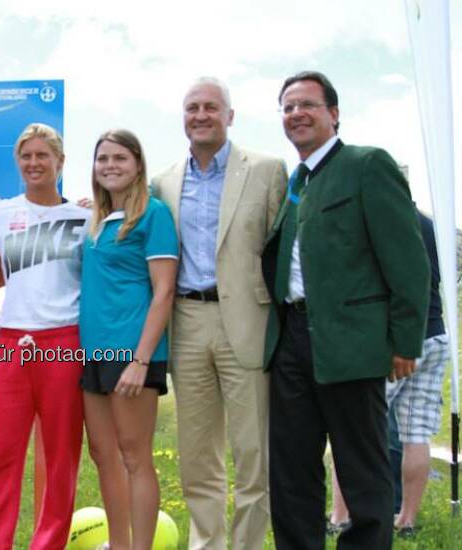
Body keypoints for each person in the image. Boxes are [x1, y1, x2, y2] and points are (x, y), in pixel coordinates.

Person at [262, 70, 429, 549]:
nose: (297, 113)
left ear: (333, 113)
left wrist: (404, 341)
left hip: (351, 341)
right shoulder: (296, 182)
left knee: (362, 466)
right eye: (288, 107)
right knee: (291, 467)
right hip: (291, 338)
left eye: (307, 104)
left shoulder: (366, 164)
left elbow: (408, 261)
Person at [151, 77, 286, 550]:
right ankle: (206, 543)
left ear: (230, 116)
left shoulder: (267, 170)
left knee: (253, 453)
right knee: (197, 455)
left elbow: (281, 250)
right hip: (188, 322)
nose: (201, 115)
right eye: (192, 108)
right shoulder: (164, 182)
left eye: (211, 107)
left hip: (248, 323)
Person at [0, 123, 90, 549]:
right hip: (12, 342)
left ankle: (49, 543)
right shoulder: (0, 215)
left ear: (60, 162)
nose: (34, 163)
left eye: (43, 155)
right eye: (26, 156)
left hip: (64, 343)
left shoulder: (84, 218)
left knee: (61, 456)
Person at [80, 129, 177, 550]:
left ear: (138, 164)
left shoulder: (153, 214)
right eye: (103, 158)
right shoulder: (96, 221)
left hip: (132, 352)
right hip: (94, 351)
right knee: (103, 456)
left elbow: (164, 291)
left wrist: (140, 360)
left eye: (120, 158)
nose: (110, 166)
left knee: (135, 457)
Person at [328, 209, 448, 539]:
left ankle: (340, 516)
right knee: (416, 435)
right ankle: (406, 520)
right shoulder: (430, 225)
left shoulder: (381, 221)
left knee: (352, 429)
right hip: (434, 336)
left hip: (392, 342)